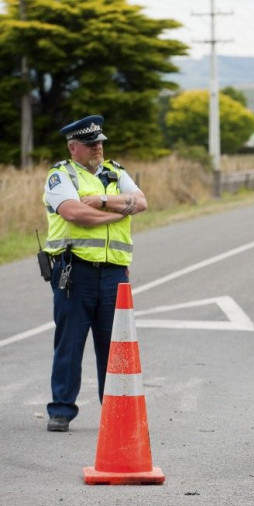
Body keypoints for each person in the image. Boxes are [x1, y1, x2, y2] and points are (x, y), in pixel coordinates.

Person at [42, 115, 147, 432]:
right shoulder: (61, 177)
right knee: (70, 344)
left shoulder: (116, 172)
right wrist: (115, 214)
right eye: (90, 144)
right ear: (74, 148)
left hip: (115, 273)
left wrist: (102, 200)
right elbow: (74, 213)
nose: (98, 147)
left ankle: (115, 408)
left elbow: (140, 202)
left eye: (100, 142)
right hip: (76, 273)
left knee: (114, 345)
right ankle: (61, 410)